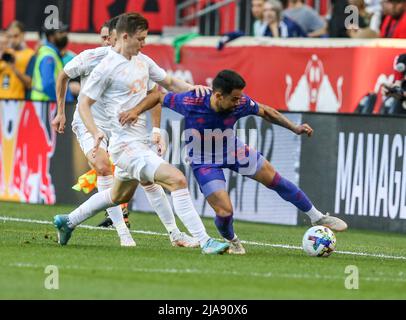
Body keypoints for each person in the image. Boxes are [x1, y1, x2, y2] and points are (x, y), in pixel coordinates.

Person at [53, 13, 229, 255]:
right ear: (125, 37)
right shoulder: (105, 67)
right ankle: (205, 240)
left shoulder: (143, 61)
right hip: (124, 145)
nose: (144, 43)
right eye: (141, 39)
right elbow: (83, 104)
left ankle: (68, 221)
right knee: (176, 179)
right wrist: (94, 132)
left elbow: (168, 83)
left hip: (137, 141)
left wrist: (195, 89)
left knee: (116, 195)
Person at [120, 69, 349, 255]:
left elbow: (266, 112)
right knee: (224, 210)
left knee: (275, 179)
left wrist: (294, 127)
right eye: (235, 97)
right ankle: (232, 240)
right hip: (204, 161)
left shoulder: (240, 103)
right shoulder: (191, 100)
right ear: (218, 95)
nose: (239, 101)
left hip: (233, 150)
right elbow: (158, 96)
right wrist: (134, 110)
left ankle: (317, 216)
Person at [31, 22, 68, 101]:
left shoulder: (52, 54)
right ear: (51, 37)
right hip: (45, 104)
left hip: (46, 103)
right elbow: (48, 85)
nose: (65, 35)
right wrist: (62, 101)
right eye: (60, 33)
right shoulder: (49, 56)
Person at [0, 21, 35, 100]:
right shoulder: (4, 52)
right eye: (10, 36)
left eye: (16, 36)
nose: (12, 39)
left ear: (22, 35)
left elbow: (29, 84)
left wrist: (14, 68)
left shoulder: (30, 55)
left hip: (17, 101)